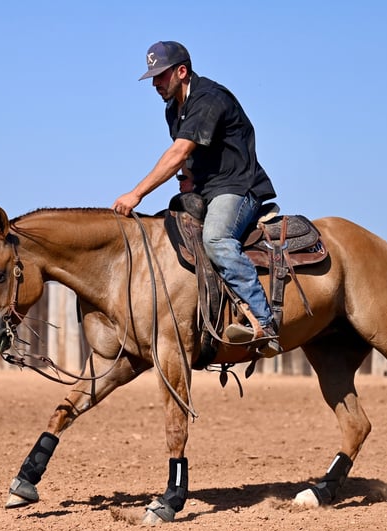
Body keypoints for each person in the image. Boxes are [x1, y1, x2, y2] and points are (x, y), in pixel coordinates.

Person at [112, 40, 281, 357]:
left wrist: (136, 193)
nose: (156, 84)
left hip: (238, 186)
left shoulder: (208, 99)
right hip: (208, 188)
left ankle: (264, 321)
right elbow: (195, 155)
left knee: (217, 238)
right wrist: (189, 179)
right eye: (152, 77)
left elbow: (179, 152)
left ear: (182, 71)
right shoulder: (173, 110)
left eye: (161, 76)